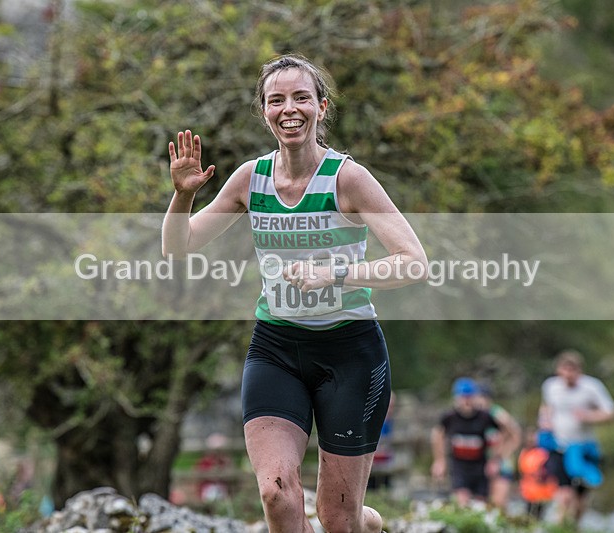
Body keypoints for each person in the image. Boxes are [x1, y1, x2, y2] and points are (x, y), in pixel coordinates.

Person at [162, 54, 427, 533]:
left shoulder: (348, 179)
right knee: (276, 494)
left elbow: (413, 261)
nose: (289, 109)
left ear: (321, 107)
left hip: (350, 353)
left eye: (301, 97)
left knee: (337, 518)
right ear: (264, 111)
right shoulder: (251, 179)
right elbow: (178, 246)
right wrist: (183, 195)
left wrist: (335, 274)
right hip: (277, 348)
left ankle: (364, 524)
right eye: (276, 99)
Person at [539, 349, 614, 527]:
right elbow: (546, 407)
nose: (568, 375)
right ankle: (560, 528)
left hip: (584, 447)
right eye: (565, 370)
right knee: (564, 493)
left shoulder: (592, 387)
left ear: (579, 371)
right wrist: (544, 422)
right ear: (558, 370)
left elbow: (611, 412)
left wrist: (589, 416)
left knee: (581, 497)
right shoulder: (550, 386)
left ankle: (575, 526)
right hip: (559, 445)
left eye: (572, 370)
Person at [430, 378, 514, 508]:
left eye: (469, 397)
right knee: (461, 499)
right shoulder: (450, 417)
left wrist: (496, 458)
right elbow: (437, 435)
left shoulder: (484, 416)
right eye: (463, 398)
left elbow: (507, 432)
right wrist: (440, 460)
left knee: (481, 504)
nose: (466, 402)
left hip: (479, 465)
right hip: (459, 465)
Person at [475, 381, 521, 513]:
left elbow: (515, 433)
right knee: (483, 502)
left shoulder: (496, 413)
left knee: (499, 502)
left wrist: (503, 454)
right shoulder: (475, 416)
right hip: (482, 462)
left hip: (500, 462)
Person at [517, 425, 557, 520]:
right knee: (528, 512)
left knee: (539, 513)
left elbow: (548, 470)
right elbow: (521, 471)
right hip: (528, 489)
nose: (531, 439)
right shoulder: (524, 452)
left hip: (541, 489)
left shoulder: (543, 452)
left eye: (533, 436)